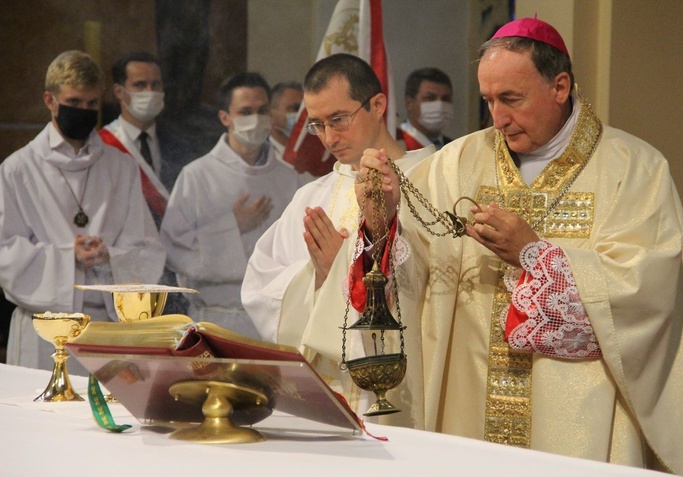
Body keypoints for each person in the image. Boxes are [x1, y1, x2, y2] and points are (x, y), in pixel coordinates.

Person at [356, 18, 683, 477]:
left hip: (577, 424)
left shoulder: (634, 169)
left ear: (560, 87)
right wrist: (381, 223)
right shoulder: (452, 165)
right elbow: (407, 280)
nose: (497, 118)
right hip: (466, 411)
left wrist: (533, 254)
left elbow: (646, 294)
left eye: (511, 99)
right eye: (488, 100)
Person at [241, 53, 434, 421]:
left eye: (339, 120)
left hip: (401, 392)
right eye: (317, 125)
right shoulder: (312, 196)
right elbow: (259, 284)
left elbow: (441, 289)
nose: (329, 138)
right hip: (324, 395)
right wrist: (319, 278)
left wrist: (345, 275)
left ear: (377, 105)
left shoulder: (430, 181)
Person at [0, 50, 165, 372]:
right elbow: (5, 252)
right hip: (45, 330)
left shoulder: (121, 167)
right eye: (74, 103)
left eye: (92, 105)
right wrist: (67, 256)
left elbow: (147, 248)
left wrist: (110, 257)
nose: (84, 112)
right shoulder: (17, 169)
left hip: (107, 327)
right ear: (50, 100)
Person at [160, 72, 305, 338]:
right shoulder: (198, 175)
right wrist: (231, 225)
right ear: (225, 117)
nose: (256, 119)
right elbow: (174, 248)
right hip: (217, 321)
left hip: (276, 323)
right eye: (245, 111)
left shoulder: (288, 178)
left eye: (262, 110)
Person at [100, 51, 191, 315]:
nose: (150, 92)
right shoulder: (105, 147)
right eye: (140, 85)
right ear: (119, 91)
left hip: (175, 274)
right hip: (128, 274)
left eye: (156, 85)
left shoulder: (179, 142)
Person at [397, 67, 453, 151]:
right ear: (409, 103)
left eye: (445, 98)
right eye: (430, 98)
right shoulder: (396, 142)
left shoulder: (453, 147)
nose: (440, 105)